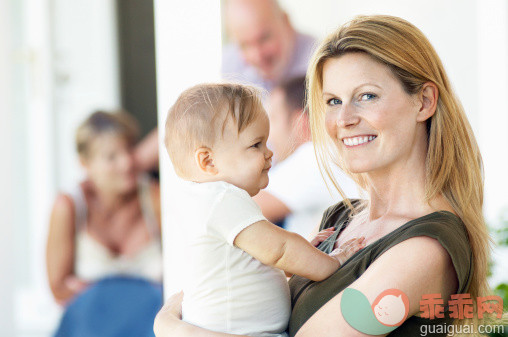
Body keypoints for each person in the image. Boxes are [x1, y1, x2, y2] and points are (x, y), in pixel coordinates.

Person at [153, 15, 492, 337]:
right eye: (332, 101)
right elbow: (243, 292)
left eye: (367, 96)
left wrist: (171, 326)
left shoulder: (424, 249)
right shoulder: (341, 219)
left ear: (424, 101)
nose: (344, 118)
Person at [162, 83, 365, 336]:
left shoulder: (208, 201)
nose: (269, 153)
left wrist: (304, 251)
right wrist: (333, 262)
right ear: (208, 161)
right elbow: (279, 250)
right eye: (256, 145)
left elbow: (257, 260)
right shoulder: (222, 199)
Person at [46, 110, 163, 305]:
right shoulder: (68, 207)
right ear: (85, 163)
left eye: (130, 149)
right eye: (111, 157)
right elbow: (59, 289)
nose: (127, 162)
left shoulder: (154, 197)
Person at [254, 76, 360, 238]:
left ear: (300, 124)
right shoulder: (338, 155)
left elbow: (234, 210)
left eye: (273, 119)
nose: (268, 136)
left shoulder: (314, 156)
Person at [222, 0, 316, 91]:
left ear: (286, 22)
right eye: (245, 45)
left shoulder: (319, 63)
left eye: (264, 39)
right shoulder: (231, 69)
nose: (257, 56)